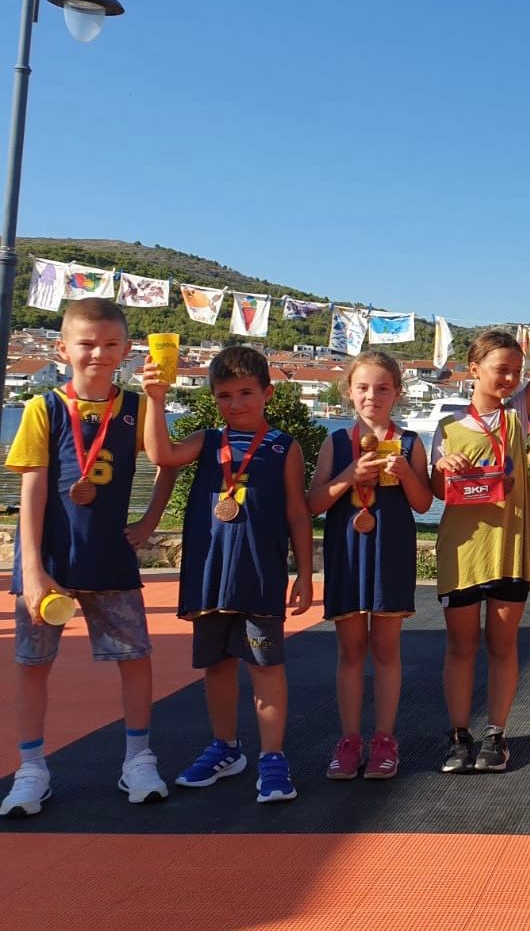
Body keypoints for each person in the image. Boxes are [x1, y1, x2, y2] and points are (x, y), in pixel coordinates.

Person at [1, 298, 176, 817]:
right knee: (33, 664)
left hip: (110, 558)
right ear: (62, 349)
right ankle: (32, 768)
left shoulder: (136, 407)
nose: (98, 353)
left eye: (109, 344)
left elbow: (165, 461)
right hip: (50, 563)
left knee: (136, 658)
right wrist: (32, 568)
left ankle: (138, 758)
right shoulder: (44, 408)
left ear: (126, 349)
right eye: (87, 344)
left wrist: (149, 521)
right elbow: (32, 490)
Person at [144, 345, 315, 803]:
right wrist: (156, 399)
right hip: (208, 575)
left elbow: (298, 514)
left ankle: (273, 757)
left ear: (267, 394)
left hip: (259, 575)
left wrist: (304, 573)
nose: (235, 403)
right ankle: (225, 747)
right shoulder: (205, 440)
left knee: (265, 666)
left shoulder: (283, 446)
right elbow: (161, 454)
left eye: (245, 393)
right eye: (224, 395)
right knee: (216, 666)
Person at [430, 298, 530, 774]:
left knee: (502, 646)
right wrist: (442, 466)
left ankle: (496, 735)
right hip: (462, 554)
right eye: (501, 370)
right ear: (474, 370)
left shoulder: (516, 415)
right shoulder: (446, 427)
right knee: (461, 648)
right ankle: (458, 734)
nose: (510, 379)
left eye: (516, 372)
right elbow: (435, 491)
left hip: (509, 553)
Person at [307, 351, 433, 781]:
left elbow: (423, 503)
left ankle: (384, 739)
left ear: (397, 393)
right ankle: (349, 740)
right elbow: (314, 503)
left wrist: (406, 473)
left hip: (390, 553)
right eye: (362, 387)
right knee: (351, 650)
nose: (371, 396)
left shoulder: (410, 442)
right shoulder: (337, 442)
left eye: (382, 388)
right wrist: (349, 476)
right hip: (347, 553)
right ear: (349, 392)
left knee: (386, 649)